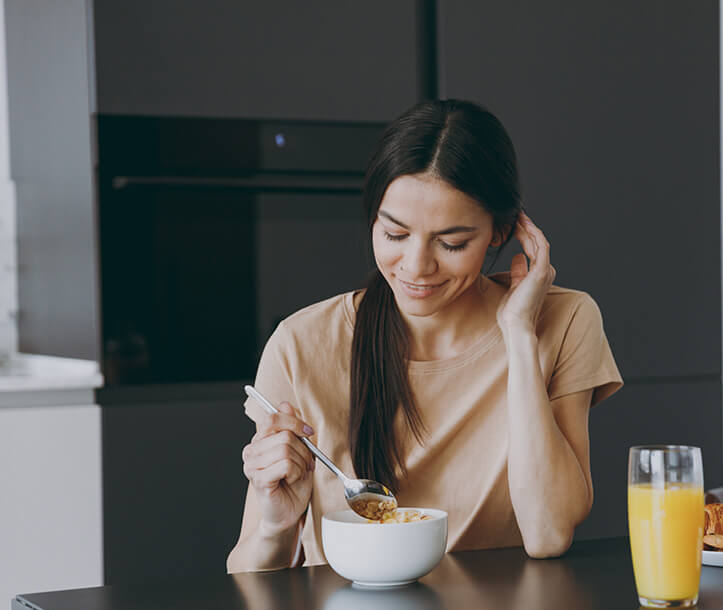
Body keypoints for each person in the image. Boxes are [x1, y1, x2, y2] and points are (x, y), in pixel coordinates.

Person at [226, 99, 622, 572]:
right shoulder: (301, 343)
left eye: (451, 243)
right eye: (394, 235)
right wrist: (275, 525)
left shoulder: (565, 320)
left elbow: (548, 532)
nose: (416, 267)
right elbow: (248, 574)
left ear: (500, 232)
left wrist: (518, 335)